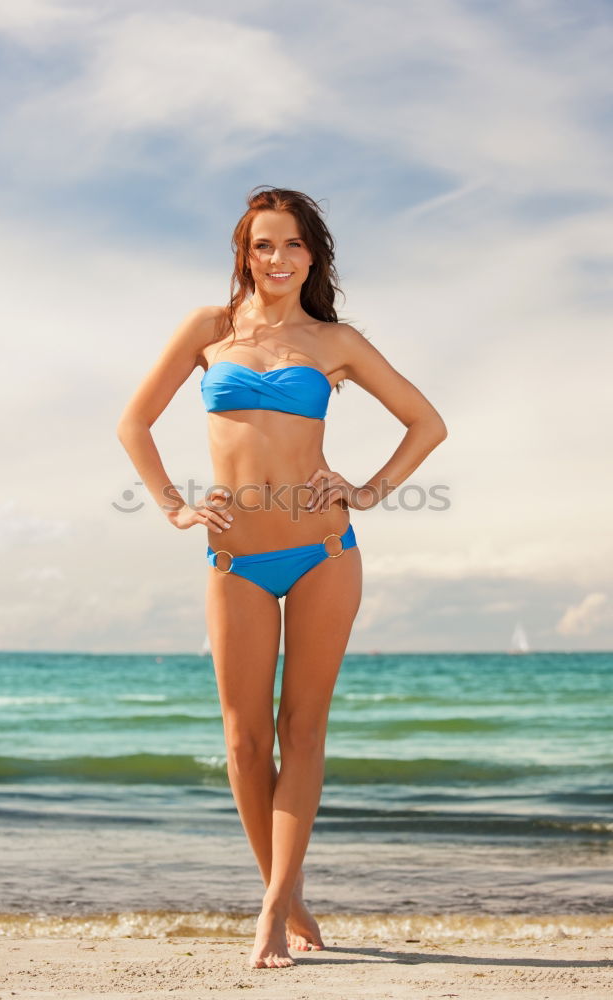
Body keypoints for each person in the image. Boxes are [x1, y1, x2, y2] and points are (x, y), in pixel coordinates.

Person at [116, 186, 448, 969]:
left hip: (324, 553)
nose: (277, 258)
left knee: (301, 729)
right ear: (245, 252)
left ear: (312, 255)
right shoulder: (208, 330)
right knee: (242, 738)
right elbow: (134, 422)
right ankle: (288, 889)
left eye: (293, 245)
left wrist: (364, 490)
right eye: (263, 245)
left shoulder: (335, 342)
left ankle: (270, 909)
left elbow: (426, 423)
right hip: (235, 557)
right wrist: (173, 507)